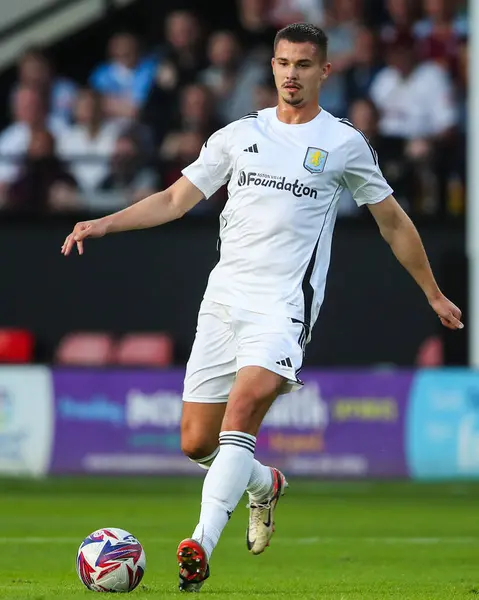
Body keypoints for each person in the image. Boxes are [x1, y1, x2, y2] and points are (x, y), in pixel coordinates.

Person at [61, 23, 463, 592]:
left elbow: (392, 221)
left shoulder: (344, 142)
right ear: (271, 67)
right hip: (223, 300)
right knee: (197, 442)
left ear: (325, 71)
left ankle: (198, 544)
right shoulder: (237, 135)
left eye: (303, 64)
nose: (291, 74)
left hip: (283, 306)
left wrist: (432, 291)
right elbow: (177, 198)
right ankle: (262, 485)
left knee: (244, 407)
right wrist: (105, 222)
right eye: (282, 63)